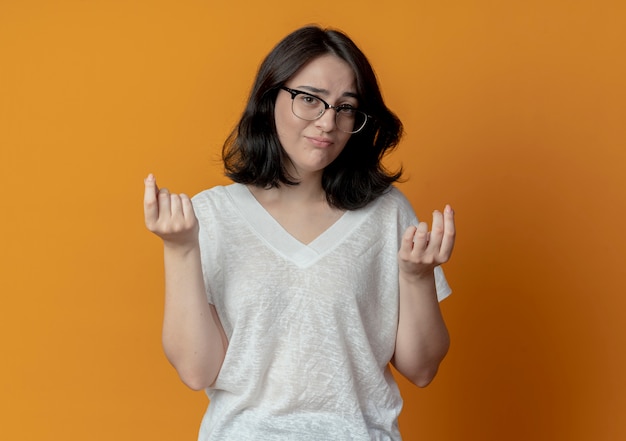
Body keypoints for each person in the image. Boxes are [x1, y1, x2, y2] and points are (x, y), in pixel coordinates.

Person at [144, 25, 455, 441]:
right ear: (271, 96)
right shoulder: (211, 215)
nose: (328, 122)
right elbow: (198, 370)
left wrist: (417, 278)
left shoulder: (387, 213)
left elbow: (422, 369)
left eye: (346, 107)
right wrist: (181, 249)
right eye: (309, 99)